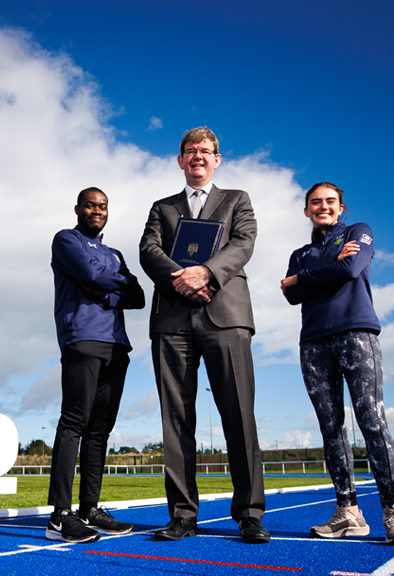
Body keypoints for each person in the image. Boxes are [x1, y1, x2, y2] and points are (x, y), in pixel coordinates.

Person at [139, 127, 270, 544]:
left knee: (238, 416)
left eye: (205, 151)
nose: (198, 156)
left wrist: (207, 272)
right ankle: (182, 515)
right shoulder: (162, 207)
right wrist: (181, 278)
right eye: (190, 151)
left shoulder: (237, 200)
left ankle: (249, 514)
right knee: (176, 420)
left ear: (217, 159)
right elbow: (148, 249)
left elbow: (244, 241)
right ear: (180, 160)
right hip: (172, 320)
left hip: (226, 315)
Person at [280, 182, 394, 545]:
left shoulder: (360, 232)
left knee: (371, 421)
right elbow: (292, 294)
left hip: (357, 334)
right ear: (306, 210)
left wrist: (305, 278)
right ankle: (349, 512)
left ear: (341, 208)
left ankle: (392, 512)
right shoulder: (300, 252)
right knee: (331, 428)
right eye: (315, 203)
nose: (323, 207)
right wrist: (325, 269)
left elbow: (351, 269)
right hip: (313, 342)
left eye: (329, 202)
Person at [46, 187, 145, 544]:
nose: (97, 211)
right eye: (91, 205)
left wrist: (106, 292)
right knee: (74, 421)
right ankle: (59, 515)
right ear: (78, 208)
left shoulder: (115, 252)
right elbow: (89, 272)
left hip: (117, 345)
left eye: (103, 206)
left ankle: (89, 508)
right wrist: (108, 281)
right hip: (83, 339)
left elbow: (138, 296)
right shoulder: (66, 240)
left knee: (100, 430)